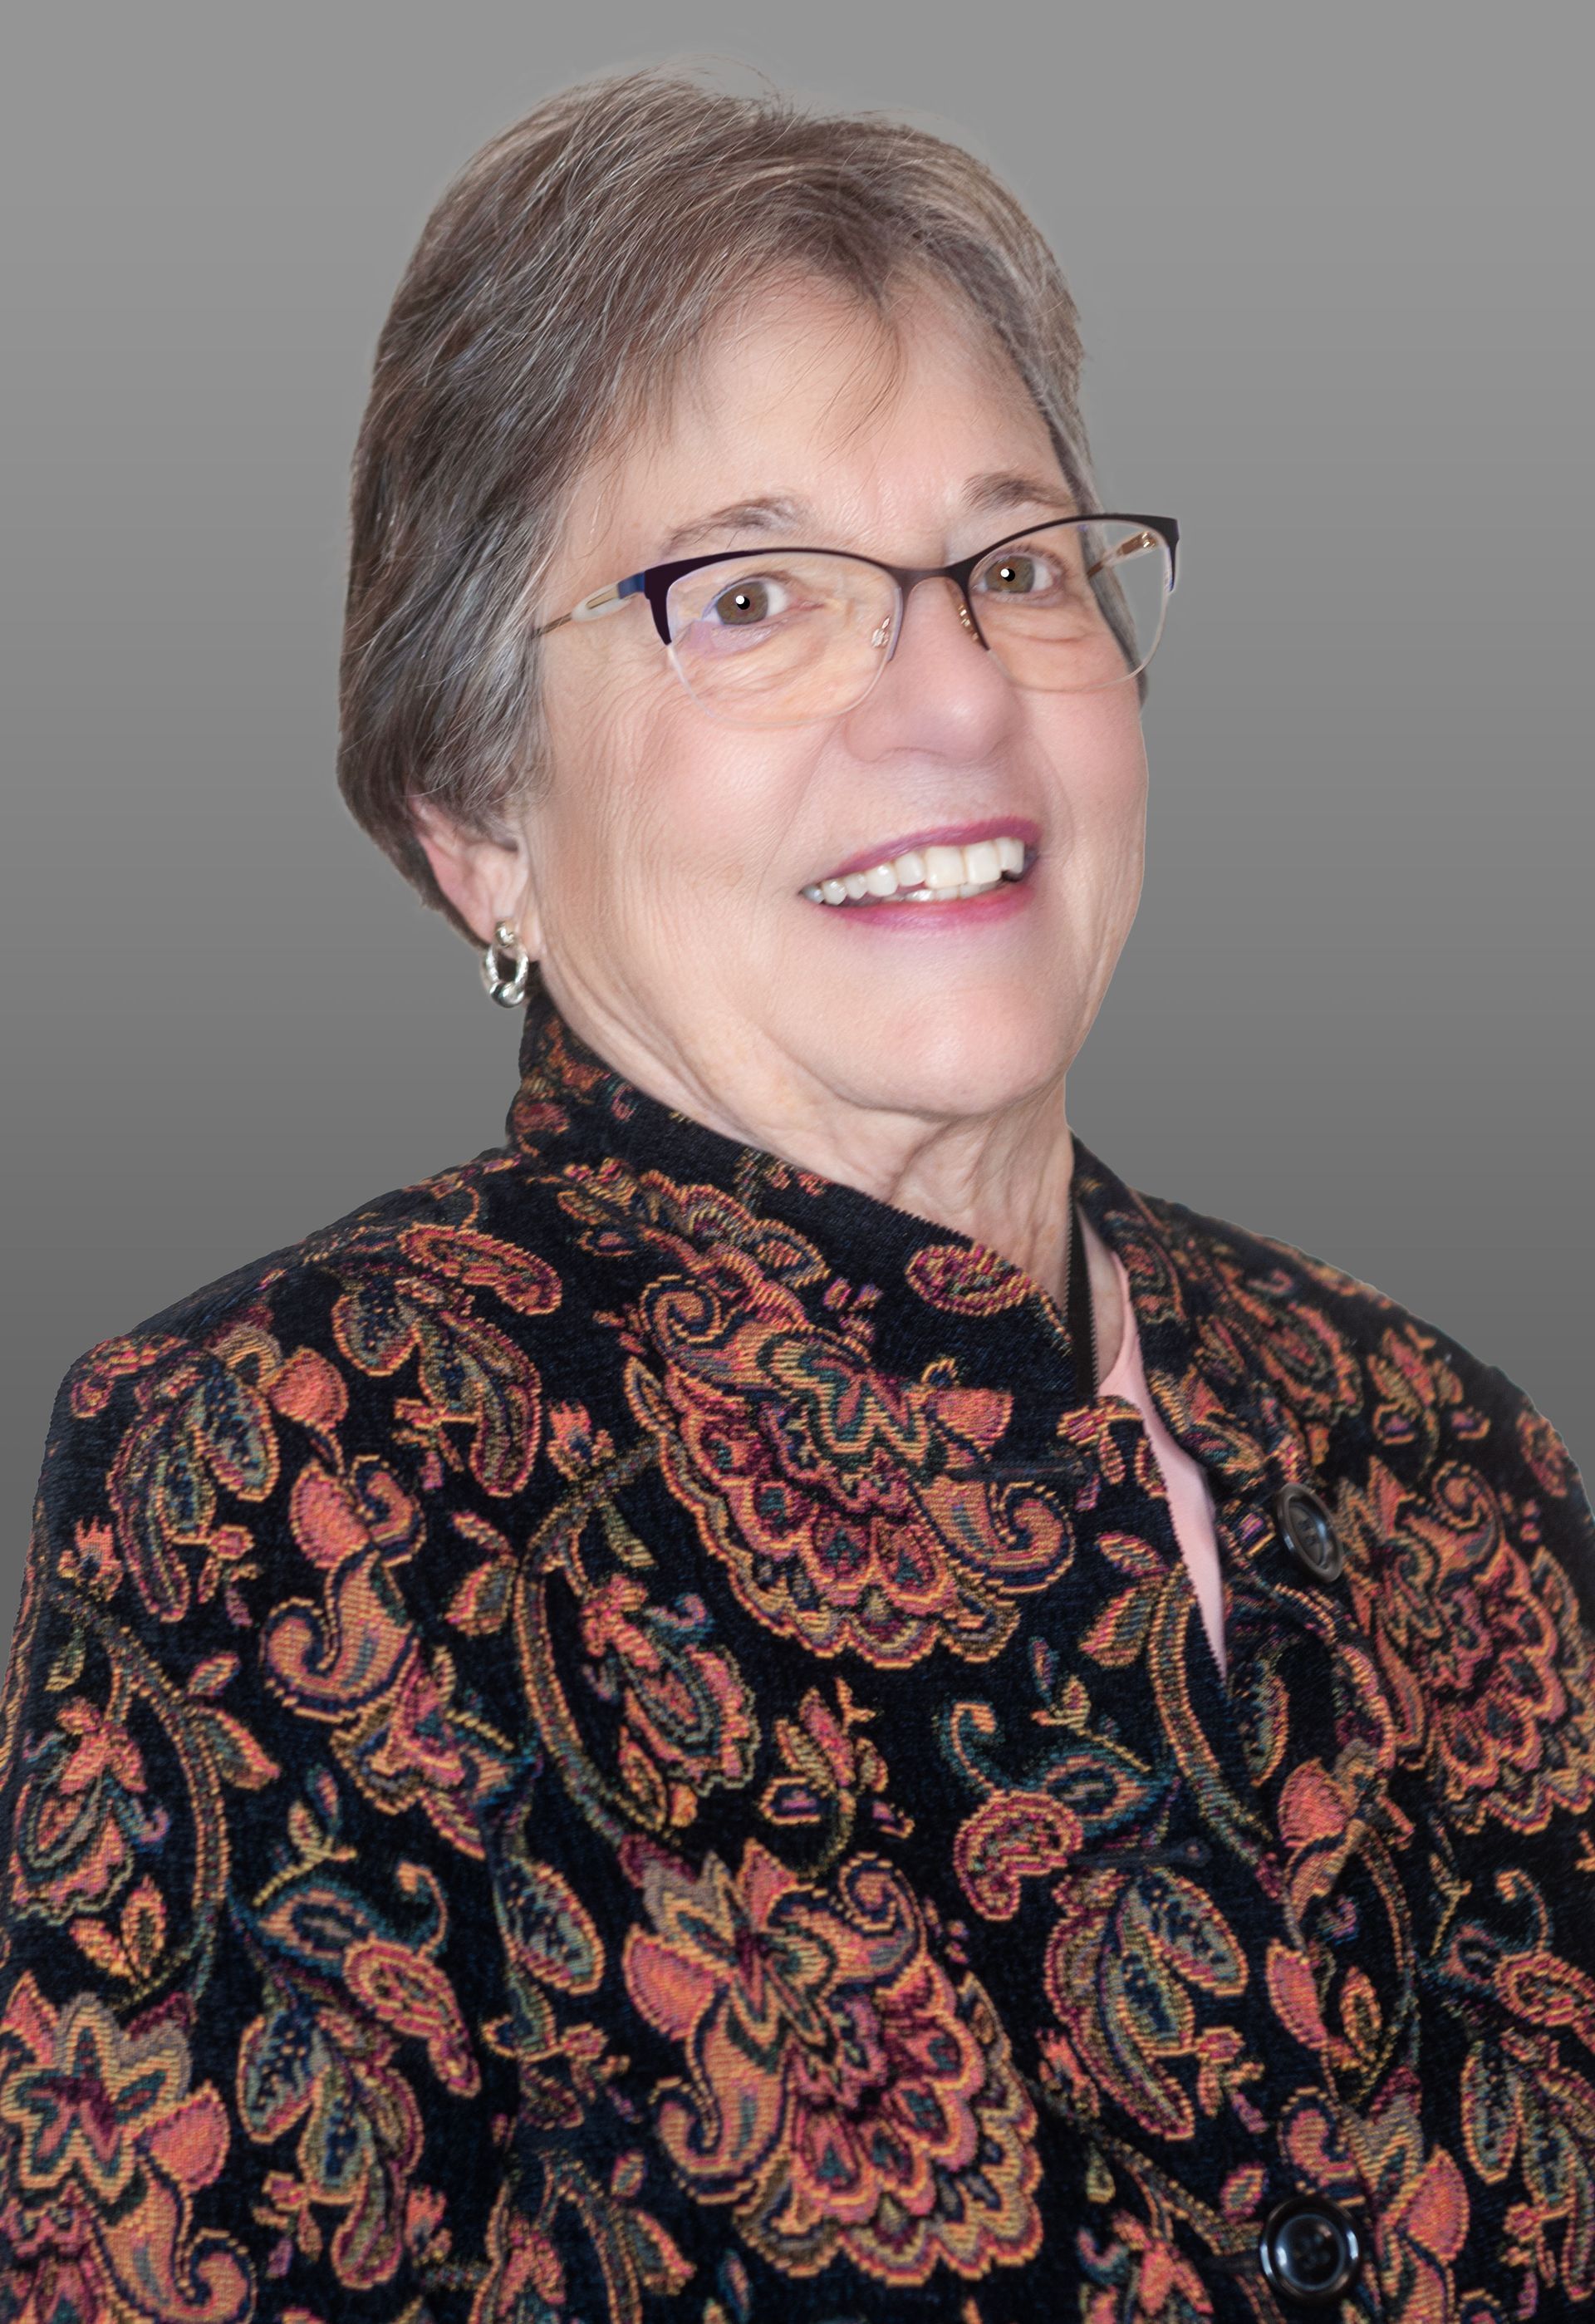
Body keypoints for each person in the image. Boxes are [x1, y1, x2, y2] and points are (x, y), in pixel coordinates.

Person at [1, 61, 1591, 2324]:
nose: (948, 693)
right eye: (749, 596)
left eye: (1017, 564)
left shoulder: (1450, 1450)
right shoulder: (293, 1470)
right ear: (479, 821)